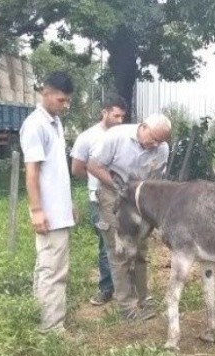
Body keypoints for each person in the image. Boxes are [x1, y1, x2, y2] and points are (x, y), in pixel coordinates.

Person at [86, 114, 171, 322]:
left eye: (160, 141)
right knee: (120, 251)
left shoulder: (162, 148)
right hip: (112, 193)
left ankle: (143, 299)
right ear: (143, 127)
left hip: (140, 197)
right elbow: (93, 165)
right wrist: (118, 186)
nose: (156, 145)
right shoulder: (116, 136)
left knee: (140, 250)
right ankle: (127, 308)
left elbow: (156, 179)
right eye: (153, 139)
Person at [19, 72, 75, 334]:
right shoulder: (35, 125)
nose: (65, 105)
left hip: (59, 210)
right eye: (61, 100)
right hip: (48, 214)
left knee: (47, 266)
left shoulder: (54, 122)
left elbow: (57, 171)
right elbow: (31, 173)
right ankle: (52, 329)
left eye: (67, 101)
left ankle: (40, 316)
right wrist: (37, 210)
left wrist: (68, 202)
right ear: (46, 93)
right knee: (54, 270)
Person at [70, 96, 127, 306]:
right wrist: (97, 181)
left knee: (126, 240)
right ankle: (106, 287)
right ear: (104, 112)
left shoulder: (124, 135)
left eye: (123, 116)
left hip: (125, 200)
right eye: (116, 115)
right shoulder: (88, 137)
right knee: (106, 245)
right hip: (99, 200)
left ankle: (126, 286)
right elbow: (76, 169)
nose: (120, 120)